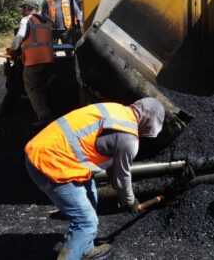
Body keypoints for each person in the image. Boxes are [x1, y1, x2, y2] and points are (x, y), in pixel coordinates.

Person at [25, 98, 165, 260]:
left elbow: (114, 166)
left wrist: (121, 192)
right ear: (149, 124)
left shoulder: (115, 109)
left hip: (46, 149)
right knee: (86, 223)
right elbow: (122, 176)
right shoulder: (129, 140)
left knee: (91, 195)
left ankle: (86, 250)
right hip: (50, 164)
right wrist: (129, 202)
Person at [8, 1, 55, 128]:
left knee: (33, 88)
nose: (21, 11)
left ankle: (44, 116)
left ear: (28, 8)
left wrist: (12, 50)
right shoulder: (46, 21)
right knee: (42, 86)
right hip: (48, 59)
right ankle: (49, 110)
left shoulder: (26, 20)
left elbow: (20, 36)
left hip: (34, 60)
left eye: (23, 8)